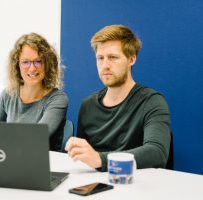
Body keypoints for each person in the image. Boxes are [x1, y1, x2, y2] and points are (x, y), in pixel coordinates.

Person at [65, 25, 171, 171]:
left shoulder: (152, 101)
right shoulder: (88, 105)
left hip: (137, 187)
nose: (105, 65)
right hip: (95, 186)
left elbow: (157, 153)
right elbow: (84, 159)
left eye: (113, 57)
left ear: (131, 59)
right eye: (100, 58)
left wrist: (101, 160)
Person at [0, 32, 68, 151]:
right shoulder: (8, 94)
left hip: (43, 164)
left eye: (38, 61)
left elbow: (37, 137)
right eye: (25, 62)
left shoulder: (57, 99)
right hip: (11, 160)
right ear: (17, 65)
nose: (32, 68)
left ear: (47, 64)